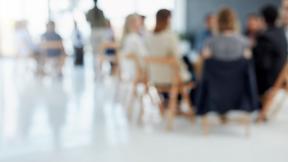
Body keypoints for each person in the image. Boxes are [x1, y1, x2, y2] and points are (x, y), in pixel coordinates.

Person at [145, 9, 191, 85]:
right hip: (172, 79)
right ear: (168, 19)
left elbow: (145, 56)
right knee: (189, 72)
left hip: (153, 78)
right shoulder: (170, 36)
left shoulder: (148, 36)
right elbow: (177, 57)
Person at [253, 5, 288, 96]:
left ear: (263, 19)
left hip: (270, 85)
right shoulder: (281, 33)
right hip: (281, 82)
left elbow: (264, 65)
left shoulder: (265, 37)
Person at [120, 14, 148, 80]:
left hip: (139, 64)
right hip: (137, 66)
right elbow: (128, 54)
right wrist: (139, 66)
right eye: (139, 21)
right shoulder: (132, 37)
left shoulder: (134, 36)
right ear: (133, 23)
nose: (141, 23)